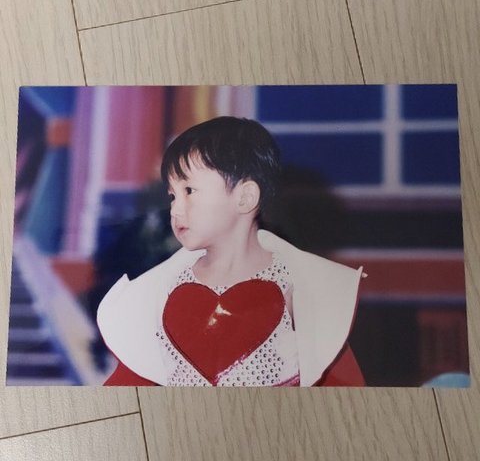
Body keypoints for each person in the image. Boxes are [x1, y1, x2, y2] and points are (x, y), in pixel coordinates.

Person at [97, 116, 365, 387]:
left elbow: (347, 396)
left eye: (189, 190)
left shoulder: (299, 289)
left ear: (245, 197)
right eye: (172, 196)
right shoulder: (160, 291)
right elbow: (127, 388)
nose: (175, 209)